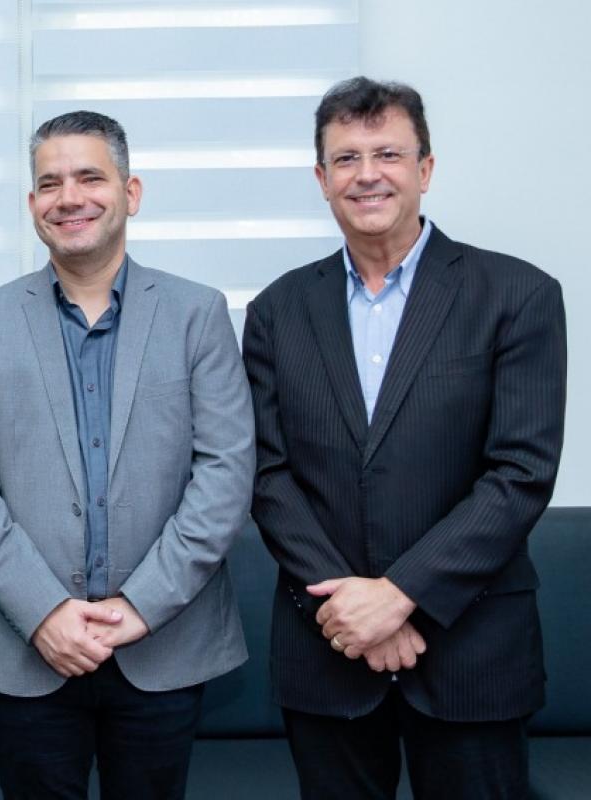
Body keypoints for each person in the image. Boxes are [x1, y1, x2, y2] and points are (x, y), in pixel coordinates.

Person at [243, 76, 567, 798]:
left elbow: (520, 472)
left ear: (425, 168)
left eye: (387, 154)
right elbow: (266, 474)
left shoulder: (518, 295)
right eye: (346, 158)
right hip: (327, 648)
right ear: (322, 180)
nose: (368, 175)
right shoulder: (276, 311)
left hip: (473, 650)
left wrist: (399, 595)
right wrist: (351, 610)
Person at [0, 110, 255, 799]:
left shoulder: (198, 313)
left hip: (164, 642)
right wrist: (44, 611)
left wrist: (141, 606)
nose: (69, 197)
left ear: (130, 192)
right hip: (26, 648)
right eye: (50, 184)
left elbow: (226, 472)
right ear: (32, 205)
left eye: (90, 177)